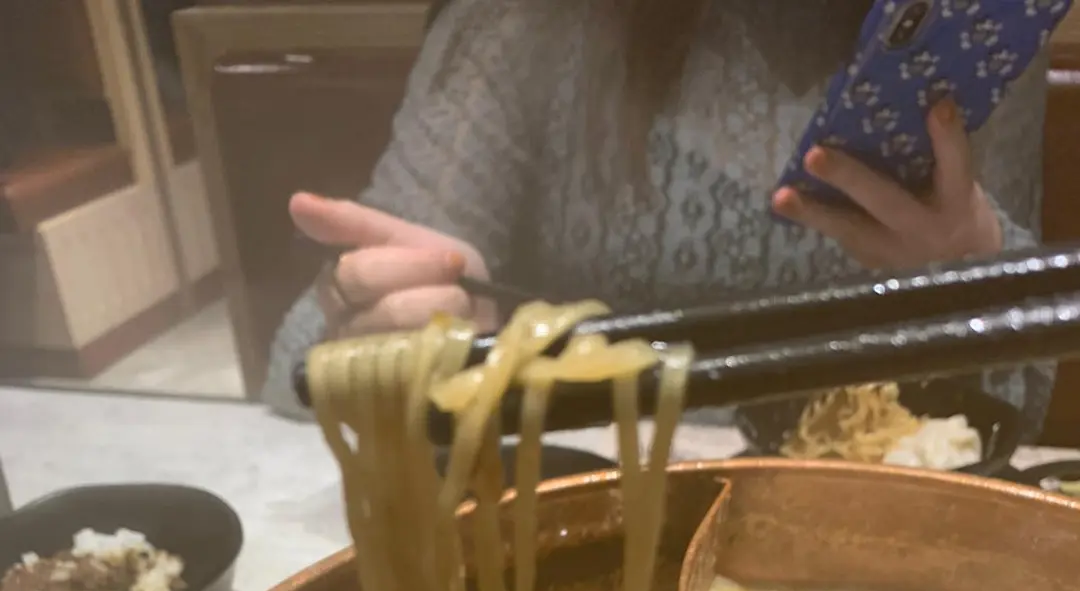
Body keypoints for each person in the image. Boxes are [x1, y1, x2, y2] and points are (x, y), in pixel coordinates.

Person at [263, 0, 1052, 432]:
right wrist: (416, 317)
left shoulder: (972, 32)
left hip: (865, 532)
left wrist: (974, 266)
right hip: (568, 522)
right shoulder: (521, 22)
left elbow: (1024, 396)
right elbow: (300, 370)